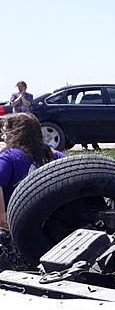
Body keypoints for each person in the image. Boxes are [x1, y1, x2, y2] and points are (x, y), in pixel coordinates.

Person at [0, 113, 66, 268]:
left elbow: (2, 218)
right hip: (54, 233)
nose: (3, 137)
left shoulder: (9, 158)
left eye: (4, 132)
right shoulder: (56, 156)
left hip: (17, 235)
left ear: (14, 133)